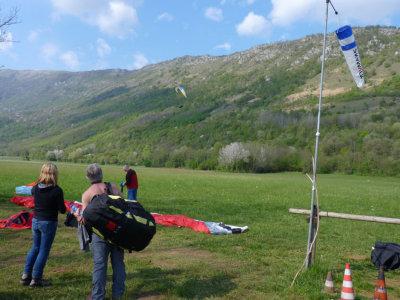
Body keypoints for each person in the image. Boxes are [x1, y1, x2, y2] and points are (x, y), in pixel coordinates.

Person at [76, 163, 126, 300]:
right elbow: (123, 202)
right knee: (118, 263)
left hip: (99, 235)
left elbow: (85, 220)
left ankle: (97, 296)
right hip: (117, 232)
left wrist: (77, 216)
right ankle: (118, 294)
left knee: (100, 265)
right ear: (101, 174)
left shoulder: (87, 195)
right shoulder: (113, 187)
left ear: (88, 177)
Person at [20, 163, 66, 288]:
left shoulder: (35, 188)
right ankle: (36, 279)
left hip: (36, 221)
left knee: (35, 247)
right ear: (55, 174)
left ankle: (25, 276)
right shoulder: (57, 190)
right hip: (48, 222)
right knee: (44, 250)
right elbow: (62, 210)